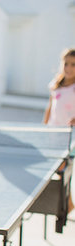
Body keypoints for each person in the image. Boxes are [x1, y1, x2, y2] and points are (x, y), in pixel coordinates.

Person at [43, 48, 75, 214]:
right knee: (58, 169)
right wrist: (45, 126)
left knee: (63, 169)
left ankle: (67, 203)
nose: (68, 68)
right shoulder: (56, 84)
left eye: (73, 64)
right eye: (66, 64)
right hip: (53, 134)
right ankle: (67, 203)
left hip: (70, 137)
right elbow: (50, 107)